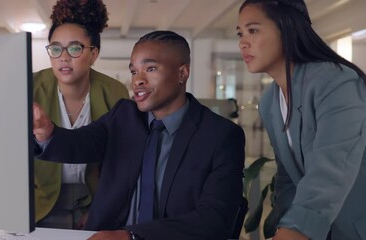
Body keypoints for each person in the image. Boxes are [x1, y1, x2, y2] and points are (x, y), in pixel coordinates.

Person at [33, 30, 246, 240]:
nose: (138, 81)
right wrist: (46, 131)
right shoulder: (124, 116)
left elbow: (214, 220)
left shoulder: (221, 136)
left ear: (182, 73)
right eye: (134, 72)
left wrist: (132, 236)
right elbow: (80, 143)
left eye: (150, 68)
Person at [237, 0, 366, 239]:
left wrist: (295, 231)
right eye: (240, 33)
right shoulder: (269, 101)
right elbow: (288, 179)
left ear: (287, 28)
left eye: (253, 30)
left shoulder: (336, 82)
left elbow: (331, 169)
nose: (243, 42)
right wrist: (284, 226)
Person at [33, 0, 129, 229]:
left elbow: (121, 162)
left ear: (93, 53)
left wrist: (101, 210)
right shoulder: (31, 88)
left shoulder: (114, 92)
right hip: (39, 202)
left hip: (95, 201)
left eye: (75, 48)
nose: (64, 57)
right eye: (56, 48)